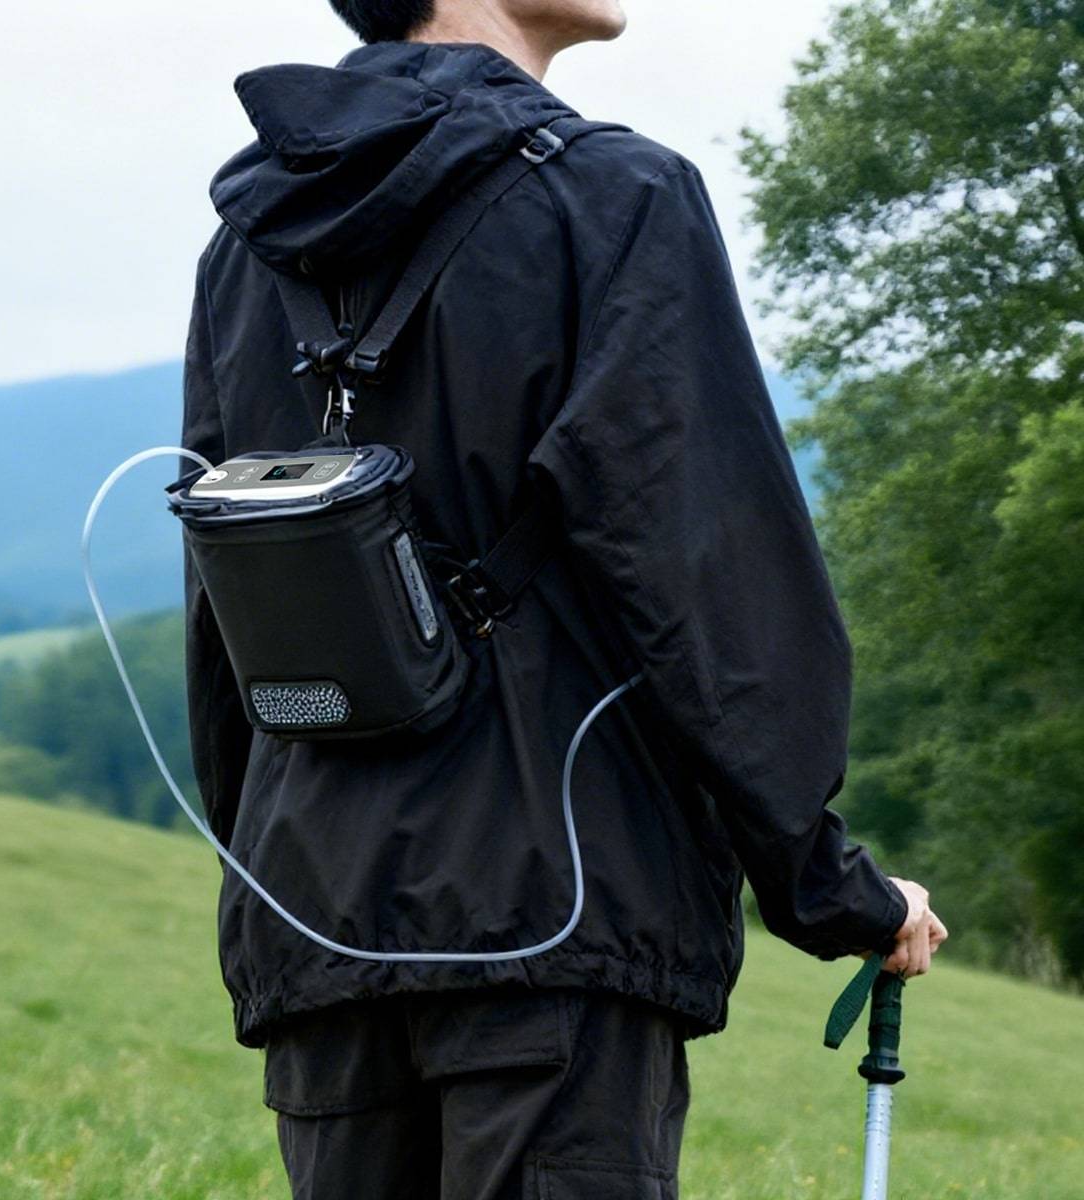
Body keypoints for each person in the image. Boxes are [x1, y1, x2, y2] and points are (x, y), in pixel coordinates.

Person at [179, 1, 948, 1195]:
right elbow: (714, 578)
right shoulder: (616, 198)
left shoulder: (246, 247)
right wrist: (830, 886)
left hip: (317, 917)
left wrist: (270, 875)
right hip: (555, 916)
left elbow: (223, 611)